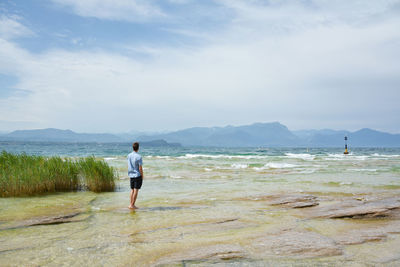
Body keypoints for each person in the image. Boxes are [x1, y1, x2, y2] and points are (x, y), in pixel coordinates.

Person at [127, 142, 143, 209]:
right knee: (136, 190)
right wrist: (142, 175)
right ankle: (132, 205)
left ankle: (130, 204)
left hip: (131, 175)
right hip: (137, 175)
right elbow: (140, 168)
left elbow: (128, 165)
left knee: (132, 190)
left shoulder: (129, 155)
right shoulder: (139, 156)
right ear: (138, 148)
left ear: (133, 148)